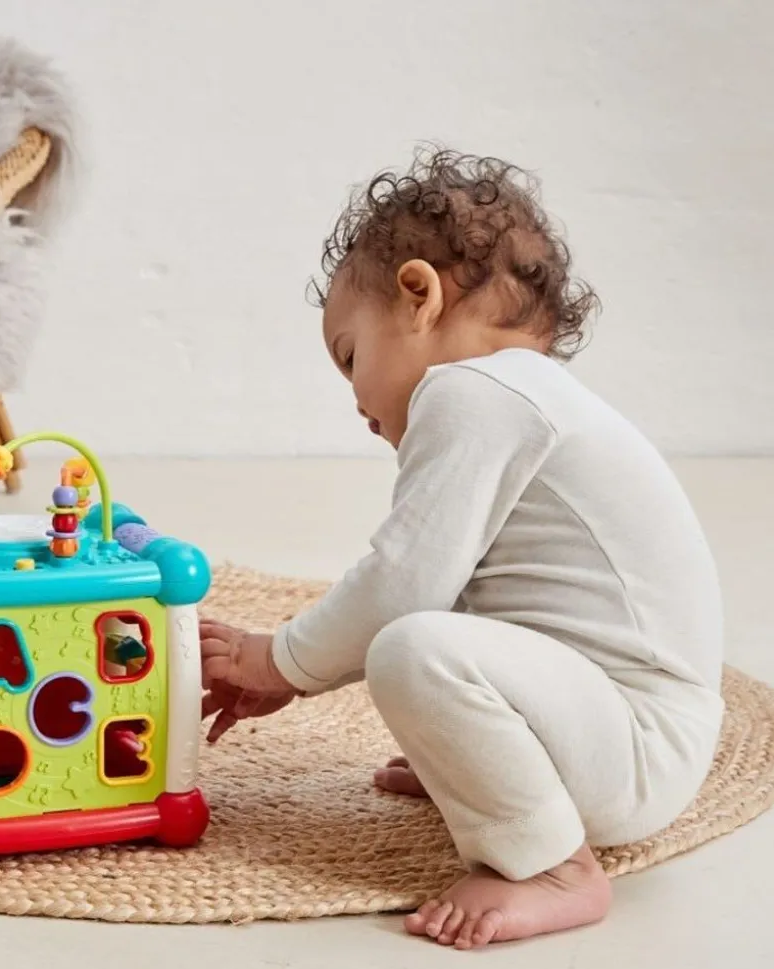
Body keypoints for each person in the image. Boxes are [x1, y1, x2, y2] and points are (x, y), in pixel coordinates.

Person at [199, 149, 724, 948]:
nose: (356, 401)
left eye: (350, 356)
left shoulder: (473, 392)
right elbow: (459, 594)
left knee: (412, 648)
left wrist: (281, 660)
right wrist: (458, 748)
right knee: (435, 635)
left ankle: (553, 867)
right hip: (613, 730)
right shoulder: (523, 398)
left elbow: (400, 586)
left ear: (419, 295)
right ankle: (506, 773)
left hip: (635, 743)